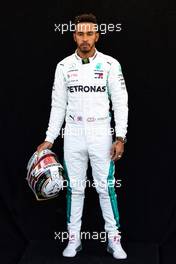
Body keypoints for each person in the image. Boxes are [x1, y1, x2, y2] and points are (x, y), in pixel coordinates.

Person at [37, 13, 128, 259]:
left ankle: (114, 240)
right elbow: (58, 105)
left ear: (97, 35)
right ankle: (73, 240)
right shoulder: (64, 66)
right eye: (80, 33)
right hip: (74, 132)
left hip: (101, 133)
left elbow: (121, 103)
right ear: (74, 36)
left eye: (90, 33)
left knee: (105, 188)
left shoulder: (110, 64)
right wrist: (50, 138)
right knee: (75, 189)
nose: (85, 39)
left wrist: (120, 137)